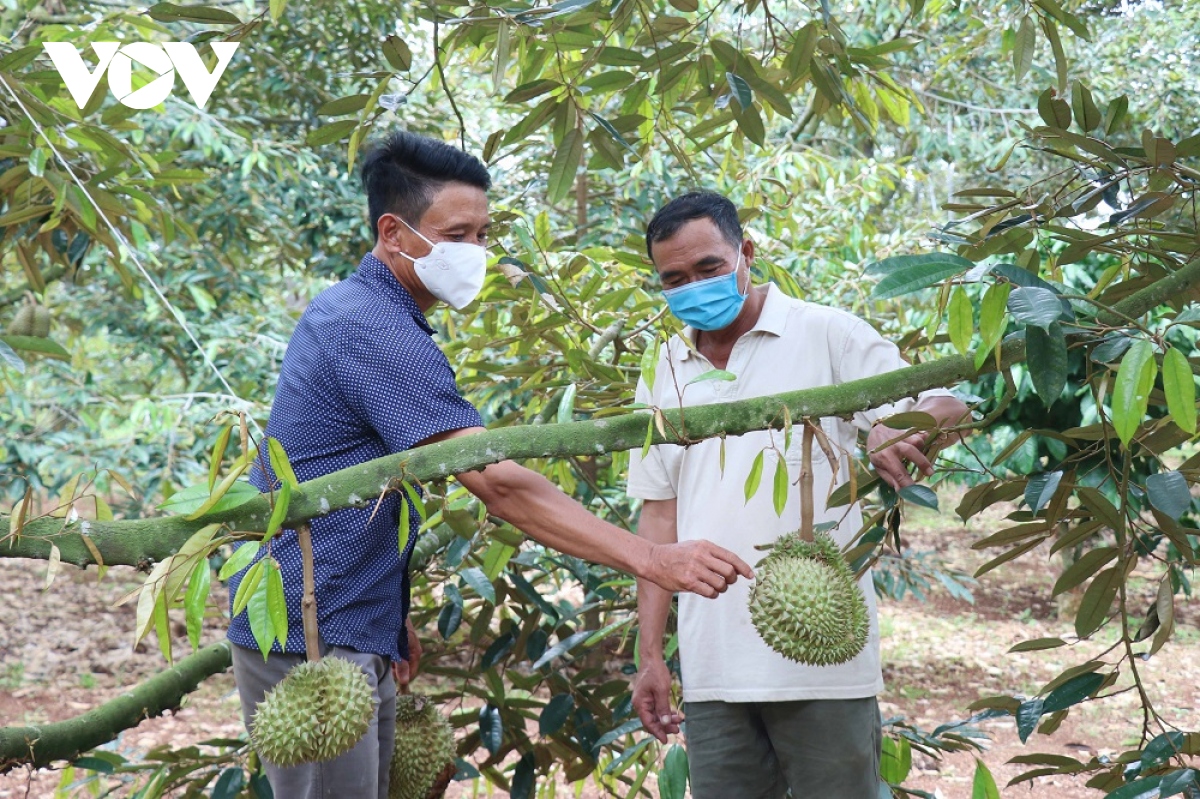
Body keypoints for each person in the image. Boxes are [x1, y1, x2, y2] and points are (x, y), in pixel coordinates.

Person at [225, 136, 753, 799]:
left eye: (482, 233)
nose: (475, 252)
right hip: (310, 633)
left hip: (343, 622)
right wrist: (652, 558)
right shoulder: (373, 329)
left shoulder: (373, 314)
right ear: (393, 233)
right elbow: (496, 481)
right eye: (457, 234)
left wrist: (384, 616)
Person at [628, 191, 969, 798]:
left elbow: (947, 401)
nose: (693, 286)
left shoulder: (828, 334)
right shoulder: (667, 367)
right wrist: (650, 653)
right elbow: (659, 515)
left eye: (708, 267)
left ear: (745, 254)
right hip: (713, 665)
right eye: (673, 278)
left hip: (825, 666)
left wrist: (904, 428)